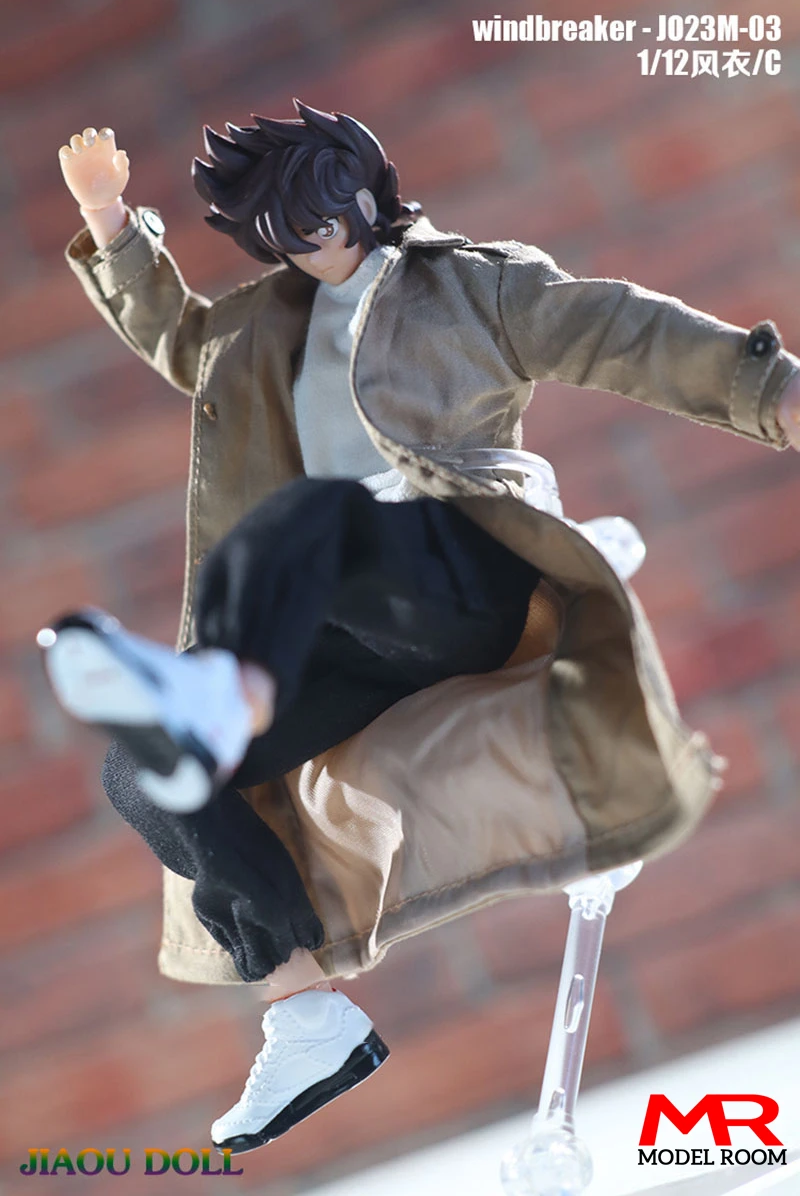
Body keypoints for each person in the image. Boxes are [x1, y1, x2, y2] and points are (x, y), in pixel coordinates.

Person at [42, 103, 800, 1153]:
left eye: (317, 226)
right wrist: (110, 221)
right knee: (143, 772)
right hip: (339, 624)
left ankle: (227, 695)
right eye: (282, 239)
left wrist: (772, 393)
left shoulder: (471, 285)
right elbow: (179, 337)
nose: (308, 252)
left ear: (363, 199)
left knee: (315, 517)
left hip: (456, 578)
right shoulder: (267, 323)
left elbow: (622, 330)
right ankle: (303, 1013)